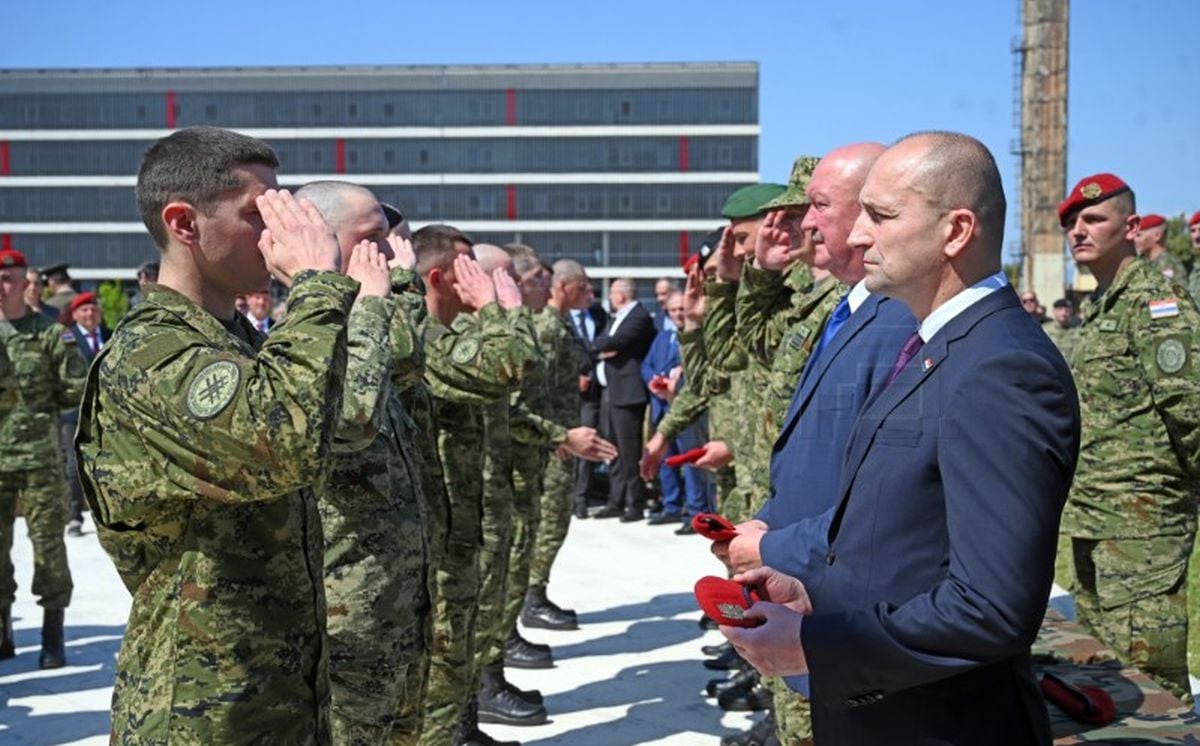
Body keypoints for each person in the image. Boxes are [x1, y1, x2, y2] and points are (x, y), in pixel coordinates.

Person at [722, 131, 1081, 745]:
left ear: (956, 231)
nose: (859, 235)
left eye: (882, 216)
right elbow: (907, 525)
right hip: (888, 709)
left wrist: (816, 646)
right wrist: (815, 582)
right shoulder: (936, 347)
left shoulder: (1000, 368)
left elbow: (989, 610)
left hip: (937, 722)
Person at [75, 126, 382, 743]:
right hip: (201, 706)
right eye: (257, 213)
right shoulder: (151, 353)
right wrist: (319, 285)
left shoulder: (236, 340)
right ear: (184, 224)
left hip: (278, 690)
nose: (280, 233)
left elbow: (342, 423)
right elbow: (288, 443)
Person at [294, 179, 431, 743]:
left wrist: (391, 294)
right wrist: (382, 294)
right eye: (373, 239)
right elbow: (350, 420)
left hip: (399, 602)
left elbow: (403, 361)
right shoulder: (306, 338)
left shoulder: (369, 330)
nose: (391, 253)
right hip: (350, 614)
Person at [1057, 173, 1200, 704]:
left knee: (1152, 685)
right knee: (1111, 679)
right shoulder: (1104, 306)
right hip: (1097, 519)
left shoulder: (1155, 303)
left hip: (1144, 529)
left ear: (1132, 227)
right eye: (1071, 223)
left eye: (1093, 219)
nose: (1078, 231)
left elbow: (1191, 409)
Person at [411, 225, 532, 746]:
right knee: (440, 656)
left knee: (459, 644)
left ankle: (463, 726)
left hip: (467, 519)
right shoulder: (422, 341)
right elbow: (514, 364)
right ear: (439, 278)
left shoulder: (453, 339)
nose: (482, 282)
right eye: (470, 272)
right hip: (437, 533)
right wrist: (498, 310)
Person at [0, 248, 88, 670]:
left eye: (7, 278)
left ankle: (53, 635)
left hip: (38, 457)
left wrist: (38, 407)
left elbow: (76, 386)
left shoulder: (51, 333)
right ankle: (3, 632)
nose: (1, 287)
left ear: (24, 283)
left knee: (48, 546)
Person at [523, 259, 600, 629]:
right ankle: (531, 596)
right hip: (556, 442)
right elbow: (537, 390)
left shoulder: (562, 324)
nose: (589, 292)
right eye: (582, 285)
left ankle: (535, 592)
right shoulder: (549, 327)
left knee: (557, 518)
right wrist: (556, 435)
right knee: (550, 519)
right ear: (564, 286)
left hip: (566, 435)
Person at [641, 290, 712, 524]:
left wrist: (676, 383)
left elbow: (697, 375)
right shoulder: (663, 337)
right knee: (666, 462)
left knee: (691, 462)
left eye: (681, 309)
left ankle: (696, 512)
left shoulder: (699, 336)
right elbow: (647, 364)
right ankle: (672, 506)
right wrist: (654, 380)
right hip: (663, 408)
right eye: (673, 310)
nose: (678, 314)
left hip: (690, 412)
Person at [592, 278, 657, 521]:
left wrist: (603, 347)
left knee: (629, 450)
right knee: (613, 449)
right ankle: (615, 500)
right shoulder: (616, 318)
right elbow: (603, 342)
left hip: (628, 394)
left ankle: (635, 502)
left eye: (611, 293)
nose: (609, 298)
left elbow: (613, 342)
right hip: (612, 391)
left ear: (620, 295)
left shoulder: (638, 316)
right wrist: (603, 347)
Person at [64, 291, 110, 537]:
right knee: (74, 468)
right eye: (84, 310)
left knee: (105, 465)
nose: (90, 314)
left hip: (104, 414)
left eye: (93, 309)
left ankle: (106, 516)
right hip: (74, 413)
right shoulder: (66, 339)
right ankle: (74, 517)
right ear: (75, 315)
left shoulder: (111, 335)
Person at [569, 288, 608, 518]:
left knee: (586, 444)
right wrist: (573, 378)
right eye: (584, 289)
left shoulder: (598, 315)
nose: (590, 295)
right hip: (567, 393)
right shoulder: (559, 318)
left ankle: (581, 500)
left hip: (593, 395)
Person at [1135, 213, 1188, 285]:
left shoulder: (1171, 265)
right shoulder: (1139, 263)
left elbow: (1179, 294)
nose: (1135, 240)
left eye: (1139, 235)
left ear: (1157, 236)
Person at [1042, 297, 1079, 362]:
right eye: (1060, 309)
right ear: (1054, 311)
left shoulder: (1077, 331)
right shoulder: (1044, 329)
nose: (1064, 313)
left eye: (1067, 310)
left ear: (1071, 311)